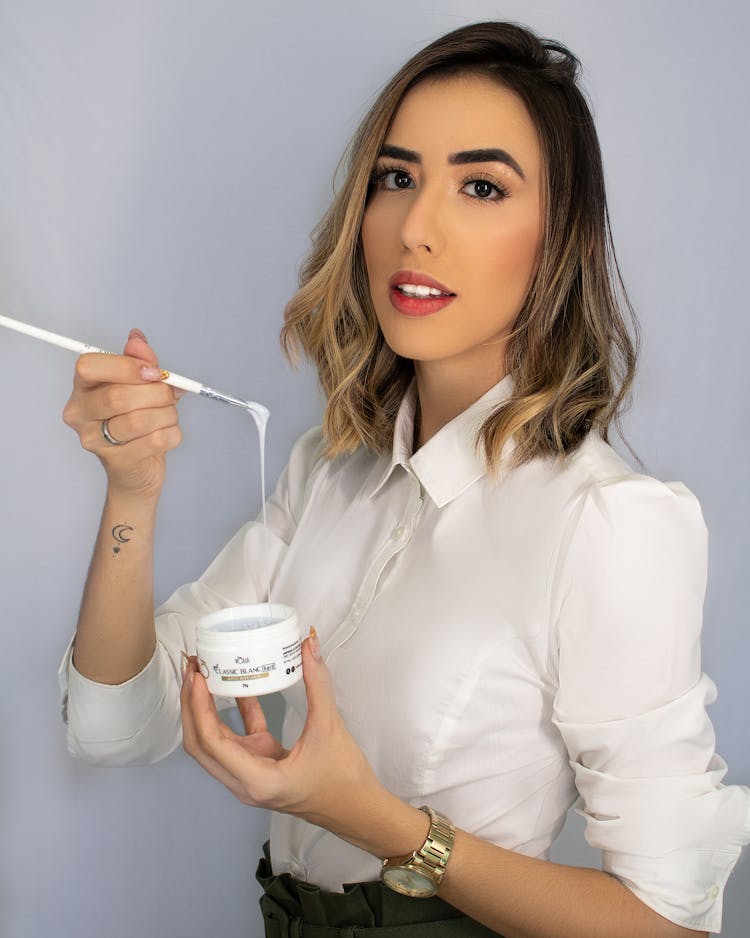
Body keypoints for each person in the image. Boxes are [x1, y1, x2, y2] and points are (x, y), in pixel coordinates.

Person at [58, 21, 750, 938]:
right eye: (396, 178)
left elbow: (672, 924)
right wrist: (132, 492)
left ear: (559, 238)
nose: (417, 227)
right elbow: (116, 727)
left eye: (480, 186)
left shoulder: (609, 524)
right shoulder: (326, 474)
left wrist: (373, 819)